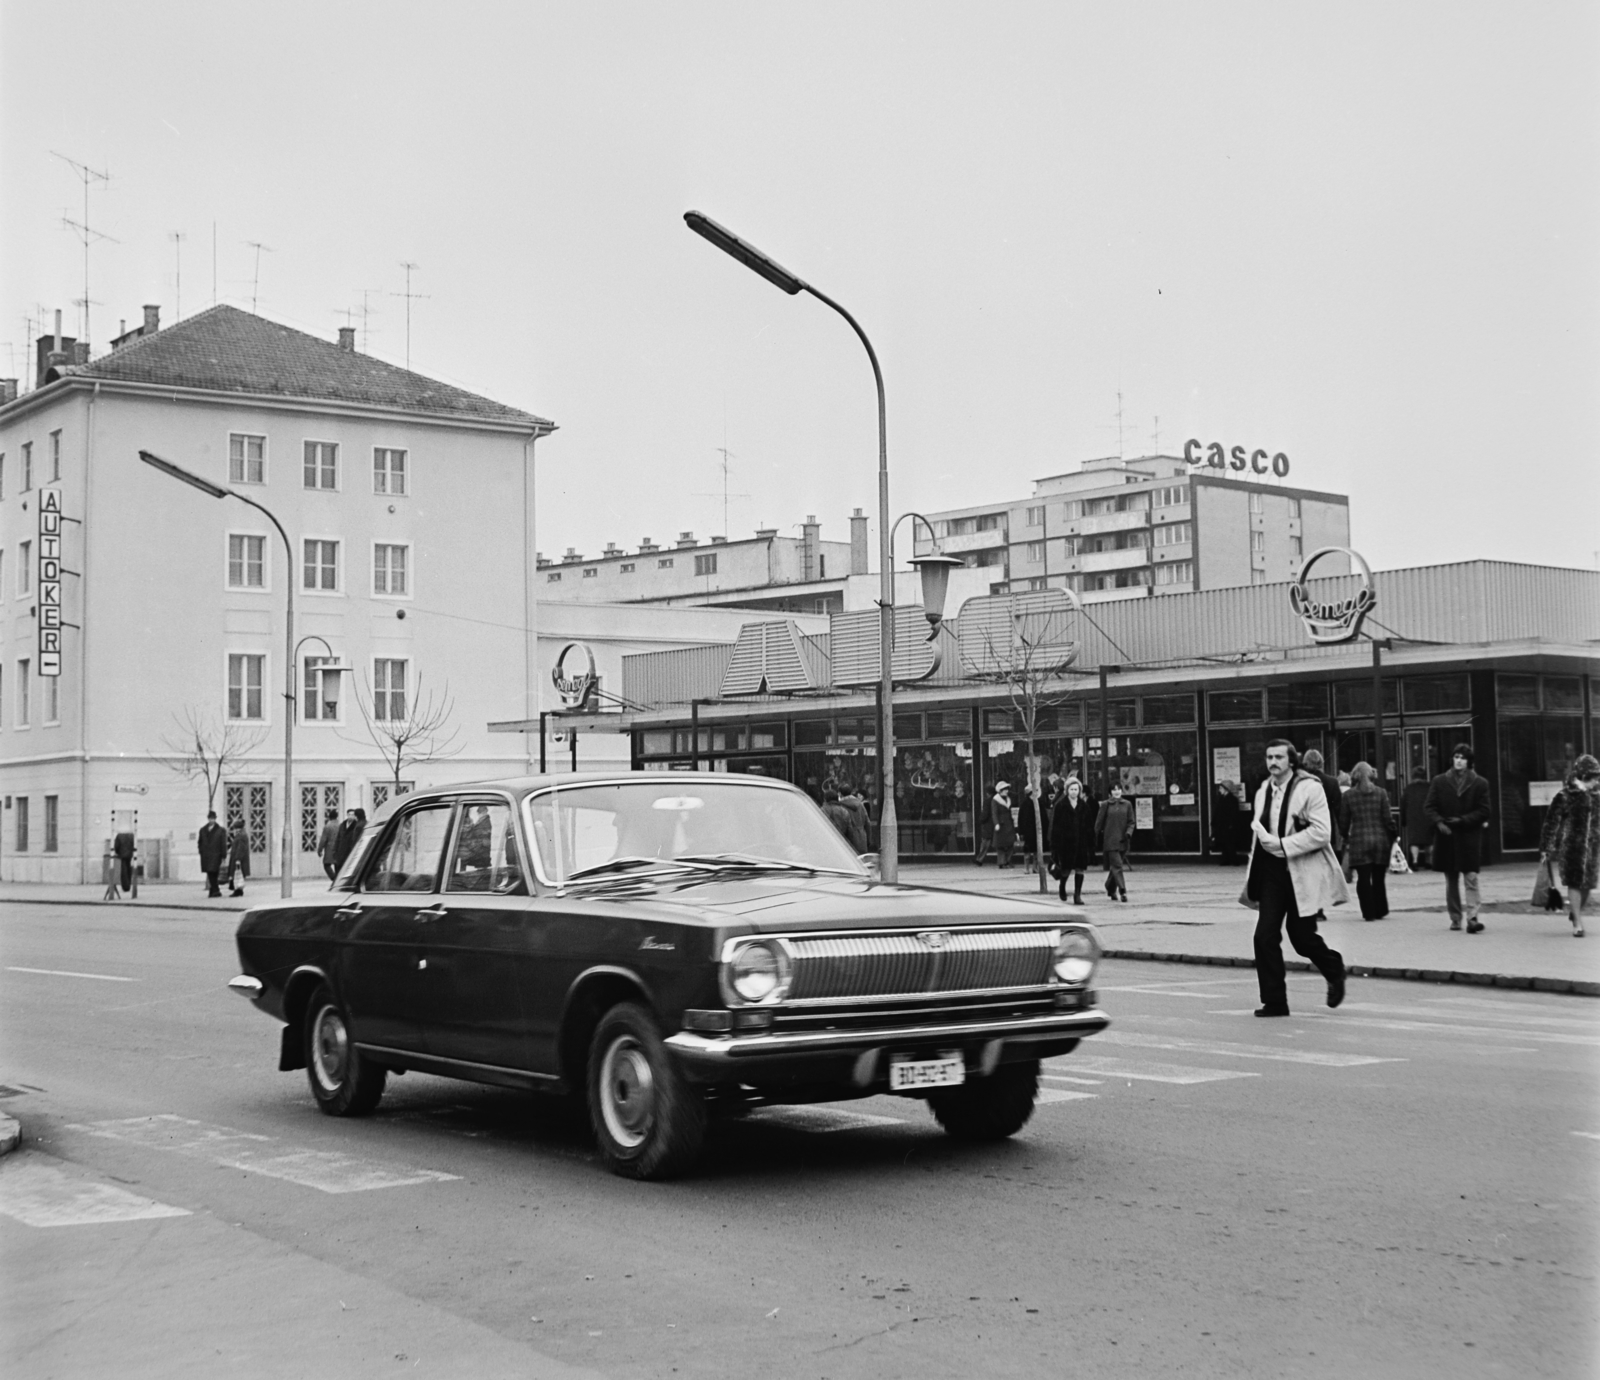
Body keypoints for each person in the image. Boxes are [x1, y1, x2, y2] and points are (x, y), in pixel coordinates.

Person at [1241, 739, 1348, 1017]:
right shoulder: (1264, 790)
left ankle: (1334, 969)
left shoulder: (1310, 788)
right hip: (1271, 873)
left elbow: (1322, 832)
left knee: (1301, 938)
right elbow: (1259, 835)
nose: (1273, 762)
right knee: (1264, 935)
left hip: (1301, 870)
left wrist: (1285, 845)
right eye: (1269, 757)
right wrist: (1252, 874)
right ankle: (1275, 1001)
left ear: (1292, 760)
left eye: (1278, 757)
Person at [1425, 743, 1491, 932]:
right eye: (1456, 757)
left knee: (1471, 877)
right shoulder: (1439, 781)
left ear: (1469, 761)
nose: (1459, 760)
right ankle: (1455, 917)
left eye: (1462, 757)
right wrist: (1439, 822)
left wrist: (1463, 820)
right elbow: (1429, 806)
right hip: (1447, 837)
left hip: (1469, 836)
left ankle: (1472, 917)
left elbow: (1485, 811)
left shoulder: (1480, 783)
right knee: (1451, 879)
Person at [1541, 753, 1600, 938]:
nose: (1595, 782)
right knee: (1574, 883)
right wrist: (1546, 847)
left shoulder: (1597, 796)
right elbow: (1551, 822)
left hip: (1592, 848)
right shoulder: (1565, 795)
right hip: (1571, 847)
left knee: (1589, 885)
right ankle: (1577, 922)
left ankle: (1575, 912)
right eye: (1592, 778)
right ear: (1582, 776)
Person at [1339, 761, 1397, 919]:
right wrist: (1393, 834)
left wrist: (1345, 836)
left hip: (1359, 840)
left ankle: (1368, 911)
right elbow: (1387, 818)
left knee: (1363, 878)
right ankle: (1381, 909)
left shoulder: (1348, 795)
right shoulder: (1381, 793)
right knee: (1379, 878)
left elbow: (1343, 822)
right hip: (1380, 840)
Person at [1050, 777, 1096, 904]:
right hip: (1065, 844)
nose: (1074, 792)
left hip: (1081, 843)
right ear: (1067, 790)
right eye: (1071, 789)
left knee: (1080, 869)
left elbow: (1089, 825)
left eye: (1076, 789)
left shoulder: (1084, 806)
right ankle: (1062, 887)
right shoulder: (1061, 806)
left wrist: (1091, 843)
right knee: (1066, 869)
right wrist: (1055, 845)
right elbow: (1056, 826)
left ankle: (1077, 895)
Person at [1094, 782, 1134, 901]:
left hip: (1124, 840)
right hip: (1110, 840)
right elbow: (1098, 823)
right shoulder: (1105, 805)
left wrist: (1129, 833)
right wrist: (1094, 837)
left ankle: (1110, 887)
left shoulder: (1127, 804)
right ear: (1110, 792)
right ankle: (1123, 891)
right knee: (1118, 865)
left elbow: (1131, 822)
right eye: (1114, 789)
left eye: (1119, 789)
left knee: (1116, 867)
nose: (1116, 791)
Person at [1300, 749, 1344, 854]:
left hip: (1304, 831)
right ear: (1321, 763)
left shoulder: (1300, 782)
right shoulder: (1332, 782)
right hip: (1326, 828)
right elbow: (1339, 811)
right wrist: (1343, 833)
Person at [1401, 767, 1433, 869]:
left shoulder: (1408, 789)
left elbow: (1403, 805)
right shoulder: (1430, 787)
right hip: (1428, 817)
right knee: (1429, 841)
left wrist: (1403, 820)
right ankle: (1429, 861)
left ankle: (1415, 861)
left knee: (1414, 841)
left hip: (1413, 818)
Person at [1211, 780, 1248, 864]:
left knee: (1230, 843)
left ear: (1226, 789)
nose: (1219, 790)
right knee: (1224, 842)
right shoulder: (1221, 798)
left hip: (1228, 825)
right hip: (1222, 825)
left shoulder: (1231, 799)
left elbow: (1233, 813)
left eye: (1221, 788)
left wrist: (1231, 824)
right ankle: (1226, 859)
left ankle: (1232, 859)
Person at [197, 810, 230, 898]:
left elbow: (223, 844)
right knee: (210, 873)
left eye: (213, 819)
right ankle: (214, 890)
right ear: (208, 819)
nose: (212, 820)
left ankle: (215, 890)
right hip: (206, 856)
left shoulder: (220, 830)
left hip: (216, 855)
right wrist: (201, 851)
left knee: (214, 873)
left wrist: (223, 855)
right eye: (210, 818)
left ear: (215, 819)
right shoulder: (203, 830)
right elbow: (200, 842)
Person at [990, 783, 1016, 868]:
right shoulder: (995, 800)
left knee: (1010, 844)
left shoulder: (1008, 799)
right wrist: (996, 823)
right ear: (1000, 791)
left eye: (1007, 789)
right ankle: (1002, 862)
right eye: (1005, 789)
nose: (1007, 791)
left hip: (1008, 824)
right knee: (1000, 845)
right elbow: (994, 813)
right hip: (1001, 825)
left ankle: (1008, 861)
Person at [331, 808, 364, 874]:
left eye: (352, 815)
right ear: (347, 815)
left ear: (355, 816)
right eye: (349, 814)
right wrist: (334, 851)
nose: (351, 816)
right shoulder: (342, 825)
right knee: (339, 871)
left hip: (349, 852)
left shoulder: (356, 826)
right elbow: (338, 838)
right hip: (340, 852)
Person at [837, 788, 870, 853]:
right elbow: (867, 822)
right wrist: (868, 839)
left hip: (848, 840)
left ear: (840, 794)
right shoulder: (860, 804)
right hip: (862, 837)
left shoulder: (840, 806)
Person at [226, 818, 251, 898]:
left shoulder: (241, 836)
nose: (235, 830)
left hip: (238, 859)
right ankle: (238, 890)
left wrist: (238, 859)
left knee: (237, 875)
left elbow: (240, 849)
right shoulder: (241, 835)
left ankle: (237, 891)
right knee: (238, 875)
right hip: (237, 858)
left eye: (235, 828)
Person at [316, 808, 342, 880]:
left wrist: (319, 850)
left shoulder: (328, 826)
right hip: (339, 848)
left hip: (329, 848)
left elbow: (323, 839)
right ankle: (338, 879)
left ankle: (334, 878)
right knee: (337, 865)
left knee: (326, 865)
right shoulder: (340, 825)